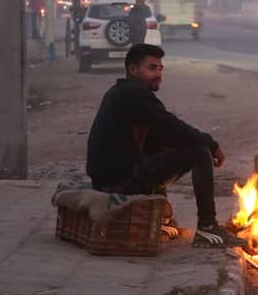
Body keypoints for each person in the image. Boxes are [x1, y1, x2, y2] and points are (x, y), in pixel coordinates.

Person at [86, 44, 244, 248]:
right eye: (152, 68)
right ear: (133, 70)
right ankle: (208, 227)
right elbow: (172, 126)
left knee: (166, 144)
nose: (158, 75)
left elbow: (165, 133)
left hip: (111, 177)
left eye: (160, 69)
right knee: (199, 152)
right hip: (119, 181)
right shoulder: (134, 94)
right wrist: (211, 144)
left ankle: (162, 218)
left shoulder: (122, 92)